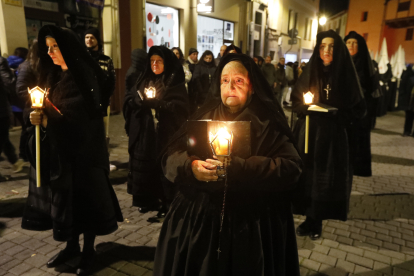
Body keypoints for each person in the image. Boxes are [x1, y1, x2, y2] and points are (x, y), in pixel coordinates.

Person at [154, 53, 302, 276]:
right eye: (224, 80)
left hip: (250, 226)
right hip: (201, 221)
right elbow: (170, 157)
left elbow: (291, 168)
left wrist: (241, 167)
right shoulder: (203, 116)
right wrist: (191, 167)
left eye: (238, 81)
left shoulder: (267, 125)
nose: (230, 86)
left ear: (252, 87)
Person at [21, 25, 123, 275]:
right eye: (48, 47)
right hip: (62, 157)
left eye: (55, 46)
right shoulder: (53, 76)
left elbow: (82, 119)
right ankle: (71, 247)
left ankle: (88, 250)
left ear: (66, 46)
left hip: (85, 157)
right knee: (67, 205)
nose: (51, 52)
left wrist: (49, 119)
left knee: (86, 204)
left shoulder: (84, 75)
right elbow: (42, 105)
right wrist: (34, 116)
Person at [291, 30, 366, 240]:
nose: (326, 50)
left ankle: (317, 221)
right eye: (323, 46)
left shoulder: (345, 74)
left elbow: (359, 108)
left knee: (323, 180)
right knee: (308, 176)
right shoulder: (310, 71)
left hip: (331, 138)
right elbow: (295, 99)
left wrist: (339, 116)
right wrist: (303, 108)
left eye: (331, 46)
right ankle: (307, 218)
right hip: (308, 133)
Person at [123, 46, 189, 218]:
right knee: (145, 166)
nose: (154, 64)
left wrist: (160, 105)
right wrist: (138, 101)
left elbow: (180, 107)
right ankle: (146, 200)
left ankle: (167, 202)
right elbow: (129, 98)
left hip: (165, 133)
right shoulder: (144, 78)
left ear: (166, 63)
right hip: (146, 133)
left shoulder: (173, 82)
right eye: (152, 61)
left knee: (163, 167)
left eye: (159, 61)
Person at [345, 31, 381, 177]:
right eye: (348, 42)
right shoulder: (341, 63)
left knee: (359, 140)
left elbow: (374, 91)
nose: (351, 45)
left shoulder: (366, 65)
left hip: (361, 112)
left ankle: (358, 168)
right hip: (343, 110)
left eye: (355, 43)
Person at [85, 27, 117, 170]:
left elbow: (112, 81)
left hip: (102, 103)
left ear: (97, 40)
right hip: (84, 103)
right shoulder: (80, 59)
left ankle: (103, 160)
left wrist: (105, 98)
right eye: (87, 37)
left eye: (92, 37)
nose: (89, 40)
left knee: (103, 133)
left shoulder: (106, 60)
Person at [15, 41, 40, 163]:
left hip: (44, 109)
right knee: (30, 134)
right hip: (33, 108)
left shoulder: (44, 64)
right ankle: (24, 155)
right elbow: (21, 89)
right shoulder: (27, 66)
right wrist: (39, 100)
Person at [0, 53, 23, 178]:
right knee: (2, 135)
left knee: (3, 137)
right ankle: (14, 160)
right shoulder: (1, 62)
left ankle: (14, 160)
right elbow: (9, 82)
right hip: (1, 109)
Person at [399, 64, 414, 137]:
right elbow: (403, 84)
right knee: (409, 114)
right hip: (410, 97)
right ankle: (407, 131)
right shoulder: (408, 72)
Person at [186, 48, 198, 114]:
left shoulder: (198, 64)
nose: (195, 56)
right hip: (190, 88)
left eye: (196, 54)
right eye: (194, 54)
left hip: (196, 89)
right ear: (190, 55)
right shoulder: (187, 64)